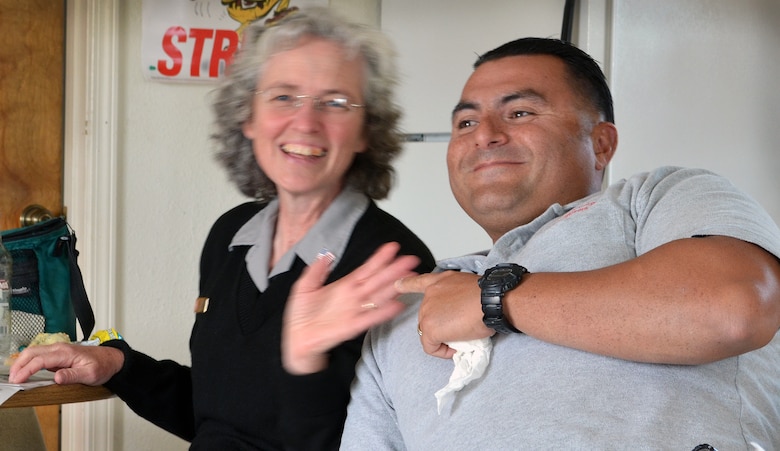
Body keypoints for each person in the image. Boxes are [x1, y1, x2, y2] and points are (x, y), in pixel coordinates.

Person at [9, 8, 435, 450]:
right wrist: (120, 365)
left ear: (366, 130)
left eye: (335, 102)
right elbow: (222, 412)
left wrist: (304, 361)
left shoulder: (394, 263)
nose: (306, 122)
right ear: (248, 118)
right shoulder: (231, 235)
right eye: (284, 97)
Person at [340, 37, 780, 450]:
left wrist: (491, 299)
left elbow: (731, 308)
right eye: (466, 122)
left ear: (601, 144)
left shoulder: (656, 200)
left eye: (520, 113)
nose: (484, 134)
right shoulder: (409, 310)